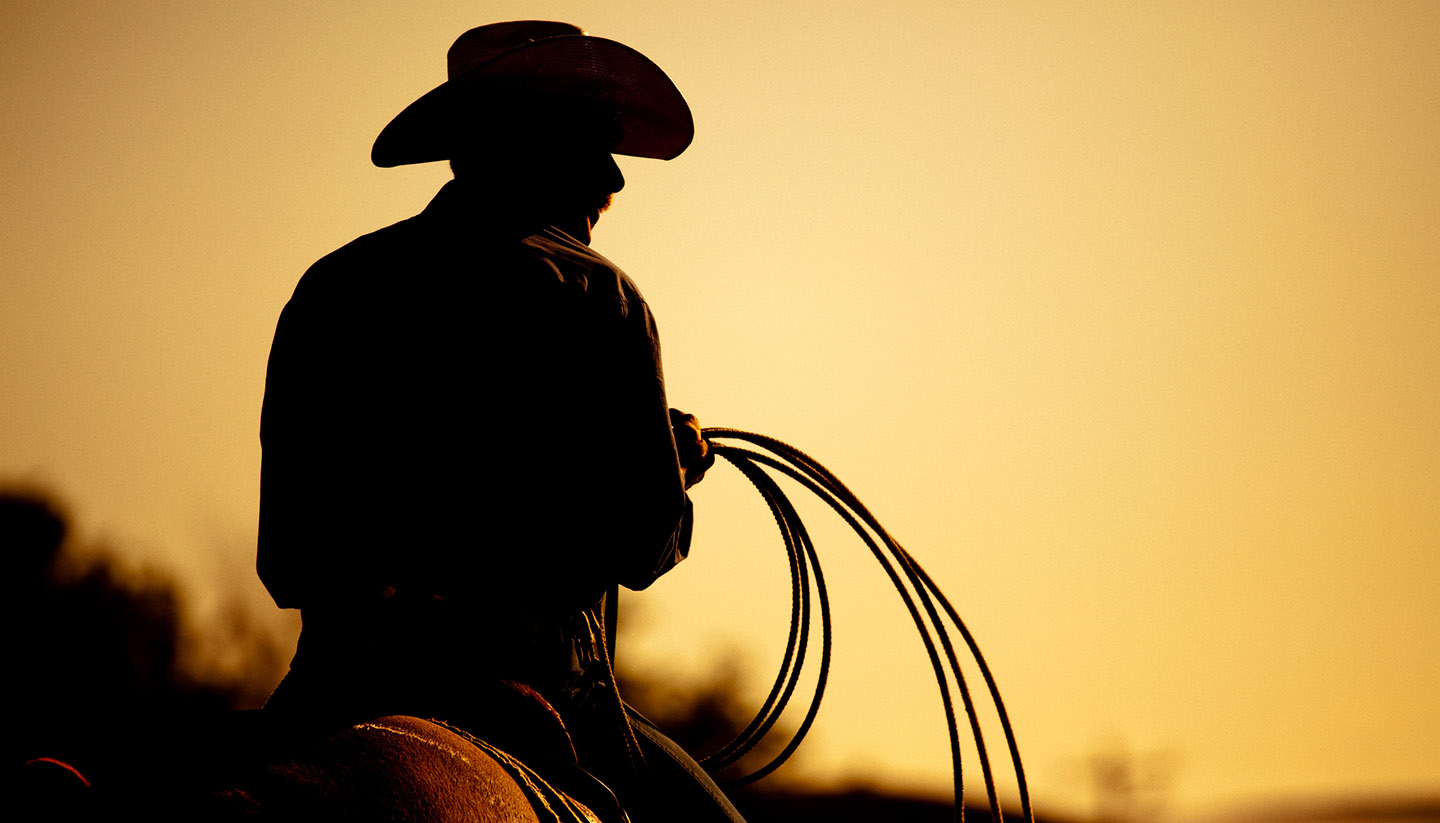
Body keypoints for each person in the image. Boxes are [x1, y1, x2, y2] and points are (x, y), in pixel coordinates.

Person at [253, 21, 738, 823]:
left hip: (330, 685)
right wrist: (671, 467)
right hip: (538, 691)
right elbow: (641, 543)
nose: (612, 175)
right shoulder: (598, 295)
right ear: (538, 147)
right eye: (593, 144)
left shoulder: (332, 286)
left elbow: (288, 560)